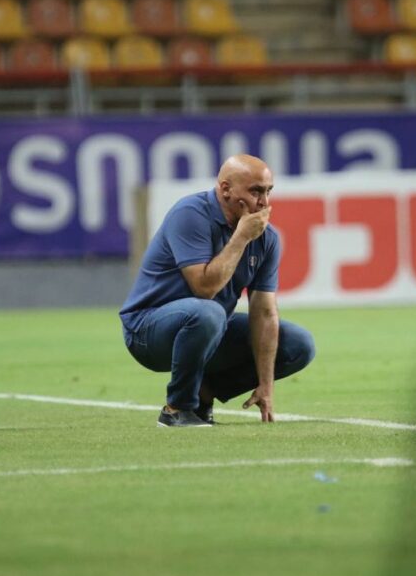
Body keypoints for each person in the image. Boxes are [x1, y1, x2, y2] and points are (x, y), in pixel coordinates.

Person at [119, 154, 316, 427]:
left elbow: (265, 312)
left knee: (298, 345)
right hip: (147, 331)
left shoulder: (267, 239)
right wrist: (242, 237)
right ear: (225, 189)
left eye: (268, 191)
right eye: (255, 191)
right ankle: (176, 408)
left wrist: (266, 385)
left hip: (207, 325)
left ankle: (204, 393)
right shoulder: (190, 214)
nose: (264, 202)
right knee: (208, 312)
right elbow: (204, 288)